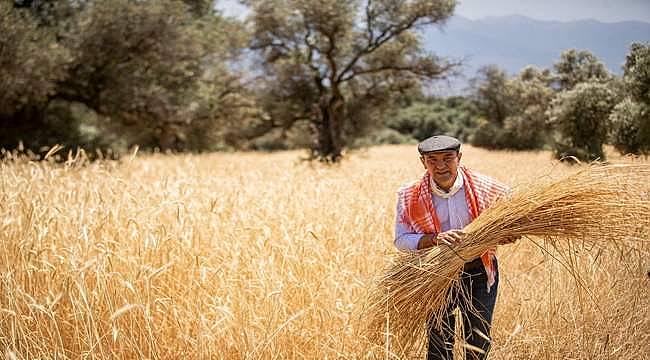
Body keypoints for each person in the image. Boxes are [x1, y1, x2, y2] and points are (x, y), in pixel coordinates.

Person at [394, 135, 513, 360]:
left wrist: (507, 233)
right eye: (432, 160)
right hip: (436, 274)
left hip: (479, 271)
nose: (440, 166)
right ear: (423, 162)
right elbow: (401, 240)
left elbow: (514, 214)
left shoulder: (486, 187)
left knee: (478, 341)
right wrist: (435, 239)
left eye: (447, 158)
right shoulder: (409, 195)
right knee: (439, 341)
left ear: (459, 157)